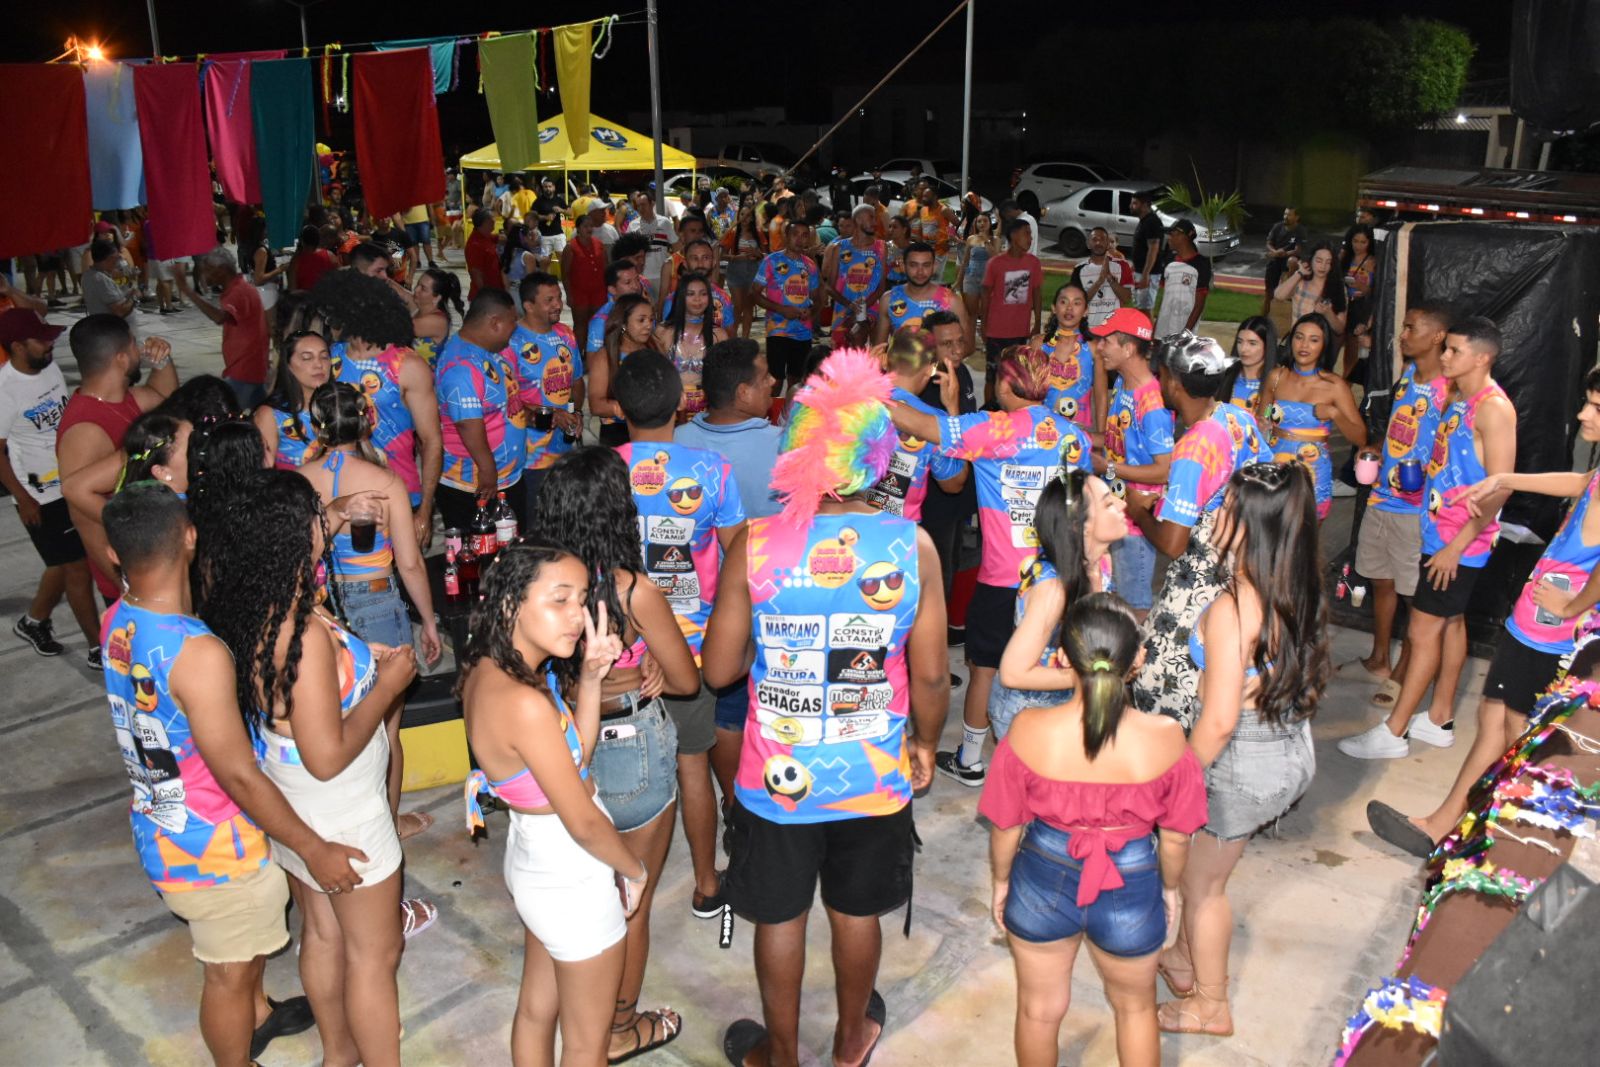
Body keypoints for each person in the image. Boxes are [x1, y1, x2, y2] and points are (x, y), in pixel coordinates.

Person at [703, 348, 949, 1067]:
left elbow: (718, 669)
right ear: (877, 454)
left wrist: (779, 641)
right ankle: (848, 1042)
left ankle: (781, 1056)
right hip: (872, 770)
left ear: (797, 447)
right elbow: (933, 676)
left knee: (780, 917)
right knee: (856, 910)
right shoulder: (913, 546)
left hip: (776, 774)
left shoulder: (756, 544)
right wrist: (925, 743)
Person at [99, 484, 355, 1067]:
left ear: (114, 554)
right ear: (190, 537)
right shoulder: (197, 654)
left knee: (240, 962)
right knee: (227, 976)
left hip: (162, 821)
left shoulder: (118, 620)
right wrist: (313, 848)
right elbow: (239, 775)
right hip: (215, 850)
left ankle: (258, 1014)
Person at [201, 470, 414, 1067]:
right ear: (296, 536)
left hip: (294, 799)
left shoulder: (256, 603)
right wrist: (388, 686)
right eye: (319, 517)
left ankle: (339, 1054)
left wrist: (359, 658)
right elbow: (326, 756)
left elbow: (301, 706)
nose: (328, 521)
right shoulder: (301, 634)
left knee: (322, 932)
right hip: (341, 811)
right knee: (375, 956)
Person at [1367, 366, 1600, 857]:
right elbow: (1580, 481)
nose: (1583, 414)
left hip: (1550, 634)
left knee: (1521, 736)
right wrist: (1504, 477)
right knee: (1493, 720)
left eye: (1596, 407)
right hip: (1530, 624)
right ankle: (1443, 825)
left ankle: (1514, 849)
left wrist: (1574, 605)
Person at [526, 447, 699, 1063]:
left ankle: (565, 1017)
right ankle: (620, 1027)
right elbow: (687, 682)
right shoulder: (631, 591)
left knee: (574, 895)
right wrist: (654, 667)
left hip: (557, 748)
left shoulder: (534, 586)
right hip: (632, 751)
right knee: (632, 901)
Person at [981, 592, 1203, 1066]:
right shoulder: (1167, 738)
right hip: (1133, 881)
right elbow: (1177, 838)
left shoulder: (1026, 729)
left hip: (1041, 877)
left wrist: (1001, 881)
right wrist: (1169, 890)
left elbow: (1006, 826)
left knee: (1039, 1010)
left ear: (1063, 658)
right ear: (1138, 659)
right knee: (1135, 1008)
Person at [1156, 462, 1329, 1038]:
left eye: (1225, 508)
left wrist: (1178, 778)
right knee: (1207, 868)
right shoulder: (1295, 581)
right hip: (1287, 745)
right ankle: (1183, 958)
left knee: (1201, 887)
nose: (1213, 514)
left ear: (1250, 526)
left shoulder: (1233, 607)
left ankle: (1211, 1005)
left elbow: (1219, 720)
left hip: (1244, 760)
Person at [459, 541, 648, 1067]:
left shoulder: (499, 671)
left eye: (582, 600)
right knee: (587, 1045)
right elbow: (584, 821)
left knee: (536, 1012)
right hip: (571, 873)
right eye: (559, 599)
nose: (577, 616)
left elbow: (575, 758)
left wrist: (589, 679)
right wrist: (634, 870)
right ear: (511, 604)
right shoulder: (523, 701)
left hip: (538, 860)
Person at [890, 345, 1094, 785]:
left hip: (1003, 578)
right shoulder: (1074, 437)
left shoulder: (991, 428)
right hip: (1060, 577)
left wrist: (864, 386)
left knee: (984, 667)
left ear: (1003, 384)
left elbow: (916, 424)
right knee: (1051, 665)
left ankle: (970, 759)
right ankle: (1052, 756)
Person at [1339, 317, 1518, 761]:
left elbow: (1502, 487)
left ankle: (1394, 730)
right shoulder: (1458, 396)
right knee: (1450, 623)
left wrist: (1456, 548)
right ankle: (1439, 718)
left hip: (1457, 543)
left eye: (1455, 350)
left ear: (1483, 357)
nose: (1446, 356)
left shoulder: (1494, 409)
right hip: (1437, 532)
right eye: (1446, 348)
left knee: (1422, 631)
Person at [613, 352, 747, 920]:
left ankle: (617, 880)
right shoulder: (713, 470)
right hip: (692, 650)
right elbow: (740, 554)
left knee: (611, 765)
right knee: (694, 765)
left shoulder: (604, 470)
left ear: (618, 410)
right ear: (682, 405)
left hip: (622, 653)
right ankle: (706, 884)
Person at [302, 382, 443, 851]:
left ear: (315, 426)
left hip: (322, 610)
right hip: (379, 604)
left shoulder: (300, 480)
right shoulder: (384, 483)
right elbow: (410, 563)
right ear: (367, 422)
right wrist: (429, 621)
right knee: (385, 730)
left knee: (334, 720)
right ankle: (388, 824)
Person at [1126, 335, 1271, 728]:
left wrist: (1139, 512)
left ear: (1174, 382)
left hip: (1203, 581)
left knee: (1159, 675)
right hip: (1247, 564)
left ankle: (1177, 750)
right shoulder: (1236, 417)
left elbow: (1173, 543)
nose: (1159, 382)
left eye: (1161, 375)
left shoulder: (1193, 449)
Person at [1353, 302, 1453, 710]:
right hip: (1382, 497)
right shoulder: (1408, 375)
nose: (1403, 335)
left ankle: (1402, 673)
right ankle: (1380, 657)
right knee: (1381, 581)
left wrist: (1427, 478)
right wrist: (1375, 450)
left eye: (1412, 328)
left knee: (1415, 597)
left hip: (1416, 511)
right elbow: (1399, 429)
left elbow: (1451, 453)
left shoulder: (1450, 390)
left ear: (1438, 336)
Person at [312, 270, 444, 549]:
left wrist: (425, 508)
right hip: (338, 492)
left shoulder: (407, 366)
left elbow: (431, 439)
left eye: (334, 313)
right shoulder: (328, 358)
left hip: (398, 491)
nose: (330, 320)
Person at [992, 471, 1127, 740]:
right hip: (1030, 708)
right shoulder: (1053, 589)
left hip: (1070, 699)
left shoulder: (1102, 562)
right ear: (1080, 525)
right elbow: (1012, 673)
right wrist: (1087, 676)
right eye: (1108, 503)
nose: (1122, 504)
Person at [57, 314, 178, 607]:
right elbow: (82, 518)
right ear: (122, 359)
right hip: (132, 577)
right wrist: (125, 584)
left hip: (152, 559)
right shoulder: (85, 430)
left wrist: (162, 360)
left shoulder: (126, 399)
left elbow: (166, 399)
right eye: (135, 345)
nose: (140, 350)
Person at [0, 309, 100, 661]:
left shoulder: (49, 367)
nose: (49, 344)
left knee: (62, 562)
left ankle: (34, 621)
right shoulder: (5, 390)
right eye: (40, 339)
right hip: (41, 496)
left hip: (75, 479)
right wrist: (24, 498)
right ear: (17, 346)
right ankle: (97, 647)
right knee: (77, 568)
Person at [1092, 309, 1174, 619]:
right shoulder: (1123, 385)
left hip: (1136, 522)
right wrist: (1078, 436)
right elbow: (1116, 440)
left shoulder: (1151, 403)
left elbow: (1164, 469)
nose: (1100, 347)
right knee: (1115, 597)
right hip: (1117, 510)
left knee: (1133, 608)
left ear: (1128, 349)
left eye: (1107, 341)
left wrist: (1108, 468)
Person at [434, 288, 528, 532]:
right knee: (478, 549)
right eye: (512, 322)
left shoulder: (490, 352)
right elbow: (467, 423)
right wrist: (487, 470)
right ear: (495, 322)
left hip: (506, 478)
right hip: (474, 485)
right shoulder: (461, 367)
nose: (515, 328)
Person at [1257, 312, 1367, 520]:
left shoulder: (1335, 386)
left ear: (1324, 346)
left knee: (1305, 537)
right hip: (1274, 468)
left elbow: (1361, 438)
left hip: (1313, 474)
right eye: (1299, 337)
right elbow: (1263, 420)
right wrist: (1263, 423)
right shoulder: (1276, 377)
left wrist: (1334, 413)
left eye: (1314, 340)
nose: (1304, 345)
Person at [675, 338, 785, 523]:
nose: (773, 381)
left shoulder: (676, 440)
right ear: (744, 393)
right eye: (765, 377)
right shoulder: (783, 446)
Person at [862, 327, 966, 522]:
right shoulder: (933, 421)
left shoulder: (855, 401)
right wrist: (953, 410)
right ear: (930, 369)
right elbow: (953, 484)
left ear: (884, 360)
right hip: (900, 532)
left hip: (849, 525)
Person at [510, 272, 585, 506]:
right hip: (529, 456)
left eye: (559, 297)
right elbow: (505, 401)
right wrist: (550, 415)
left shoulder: (566, 334)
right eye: (549, 300)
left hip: (564, 450)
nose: (558, 305)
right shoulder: (511, 342)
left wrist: (576, 413)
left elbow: (576, 381)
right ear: (528, 306)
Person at [175, 249, 269, 410]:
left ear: (221, 270)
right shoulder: (240, 288)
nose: (205, 276)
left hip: (244, 368)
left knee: (230, 415)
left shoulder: (238, 292)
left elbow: (219, 317)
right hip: (253, 365)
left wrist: (189, 292)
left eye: (207, 270)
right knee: (259, 412)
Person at [979, 220, 1044, 407]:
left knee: (1017, 376)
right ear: (1014, 236)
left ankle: (1013, 410)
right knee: (992, 375)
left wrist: (1037, 323)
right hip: (996, 332)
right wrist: (984, 325)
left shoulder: (1033, 263)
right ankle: (989, 411)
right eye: (1026, 233)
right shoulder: (996, 263)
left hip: (1020, 332)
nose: (1030, 238)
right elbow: (985, 295)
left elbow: (1037, 293)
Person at [752, 218, 820, 393]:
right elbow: (754, 294)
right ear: (786, 236)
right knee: (775, 380)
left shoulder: (810, 266)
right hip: (777, 329)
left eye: (804, 235)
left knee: (796, 381)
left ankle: (788, 410)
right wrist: (781, 309)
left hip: (803, 332)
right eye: (795, 234)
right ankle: (771, 409)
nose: (800, 239)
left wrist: (810, 311)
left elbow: (816, 298)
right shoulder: (771, 261)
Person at [588, 293, 659, 447]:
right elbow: (596, 405)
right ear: (624, 323)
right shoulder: (606, 357)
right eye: (641, 320)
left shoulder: (655, 350)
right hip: (617, 433)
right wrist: (635, 408)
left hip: (651, 431)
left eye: (651, 319)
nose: (649, 325)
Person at [655, 272, 728, 420]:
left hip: (707, 413)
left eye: (703, 294)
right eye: (690, 294)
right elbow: (655, 375)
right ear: (681, 297)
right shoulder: (663, 332)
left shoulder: (719, 335)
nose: (697, 299)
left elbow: (725, 380)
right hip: (670, 410)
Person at [254, 331, 331, 469]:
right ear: (288, 365)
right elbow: (263, 474)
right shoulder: (270, 415)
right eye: (307, 358)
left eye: (324, 357)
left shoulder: (341, 405)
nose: (319, 364)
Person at [872, 240, 970, 347]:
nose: (920, 272)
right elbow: (879, 347)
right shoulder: (888, 300)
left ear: (934, 267)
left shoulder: (952, 302)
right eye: (913, 265)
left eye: (926, 265)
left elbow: (968, 345)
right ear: (903, 266)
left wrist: (941, 356)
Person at [1034, 281, 1100, 432]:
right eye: (1063, 302)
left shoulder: (1094, 348)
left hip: (1078, 430)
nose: (1069, 308)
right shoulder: (1039, 344)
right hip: (1041, 427)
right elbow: (1028, 390)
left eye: (1076, 303)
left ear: (1086, 311)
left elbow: (1101, 395)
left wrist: (1102, 435)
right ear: (1054, 308)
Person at [1271, 240, 1347, 340]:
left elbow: (1340, 329)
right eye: (1319, 261)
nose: (1323, 266)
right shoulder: (1301, 282)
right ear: (1311, 260)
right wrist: (1299, 273)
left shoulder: (1338, 288)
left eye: (1328, 262)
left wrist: (1328, 313)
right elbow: (1278, 295)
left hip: (1320, 345)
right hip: (1297, 340)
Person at [1153, 220, 1213, 338]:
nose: (1169, 238)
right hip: (1161, 332)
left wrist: (1185, 334)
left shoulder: (1201, 264)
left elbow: (1199, 304)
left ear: (1184, 237)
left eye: (1172, 234)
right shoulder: (1169, 260)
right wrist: (1155, 329)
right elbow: (1165, 299)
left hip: (1183, 333)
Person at [1071, 227, 1134, 330]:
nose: (1098, 243)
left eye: (1102, 239)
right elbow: (1078, 302)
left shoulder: (1123, 266)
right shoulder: (1079, 269)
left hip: (1113, 327)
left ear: (1108, 244)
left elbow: (1126, 298)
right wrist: (1099, 281)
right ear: (1088, 244)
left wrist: (1110, 279)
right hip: (1087, 328)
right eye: (1095, 239)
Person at [560, 210, 609, 345]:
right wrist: (569, 294)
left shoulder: (599, 245)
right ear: (578, 228)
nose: (589, 229)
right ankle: (579, 352)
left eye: (591, 226)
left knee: (597, 323)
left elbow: (606, 268)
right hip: (579, 293)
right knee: (580, 325)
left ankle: (595, 350)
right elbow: (565, 274)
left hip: (599, 291)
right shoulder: (570, 247)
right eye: (585, 226)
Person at [584, 257, 645, 361]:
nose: (635, 286)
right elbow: (593, 363)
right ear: (612, 290)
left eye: (637, 280)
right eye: (628, 282)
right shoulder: (601, 321)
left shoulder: (644, 309)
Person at [721, 204, 766, 339]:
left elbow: (766, 255)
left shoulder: (758, 233)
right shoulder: (732, 233)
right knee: (738, 304)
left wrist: (757, 254)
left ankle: (745, 338)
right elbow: (722, 255)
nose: (745, 218)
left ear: (752, 218)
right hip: (735, 271)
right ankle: (732, 336)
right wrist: (735, 257)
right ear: (738, 216)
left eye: (748, 215)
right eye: (742, 215)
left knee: (748, 306)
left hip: (752, 271)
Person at [1340, 224, 1379, 376]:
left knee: (1354, 350)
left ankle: (1347, 380)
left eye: (1363, 242)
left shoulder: (1373, 262)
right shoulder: (1345, 258)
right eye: (1355, 241)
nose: (1358, 245)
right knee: (1341, 346)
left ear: (1369, 243)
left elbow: (1375, 292)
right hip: (1344, 305)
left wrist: (1361, 287)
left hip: (1361, 308)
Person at [411, 267, 464, 367]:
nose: (416, 289)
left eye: (423, 288)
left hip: (427, 375)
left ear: (437, 298)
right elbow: (403, 294)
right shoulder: (421, 307)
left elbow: (399, 327)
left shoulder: (437, 321)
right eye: (418, 284)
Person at [954, 212, 1000, 329]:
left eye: (985, 221)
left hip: (988, 281)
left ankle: (986, 338)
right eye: (979, 221)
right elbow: (965, 262)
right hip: (971, 279)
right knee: (971, 314)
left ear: (990, 223)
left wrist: (986, 241)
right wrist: (959, 281)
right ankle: (971, 339)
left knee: (986, 315)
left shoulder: (995, 240)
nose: (982, 223)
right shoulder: (971, 239)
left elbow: (995, 258)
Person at [1260, 207, 1308, 316]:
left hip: (1288, 261)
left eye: (1289, 215)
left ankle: (1289, 288)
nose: (1286, 217)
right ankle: (1263, 318)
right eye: (1285, 214)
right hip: (1275, 259)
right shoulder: (1277, 226)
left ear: (1297, 217)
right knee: (1268, 293)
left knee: (1292, 261)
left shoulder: (1301, 230)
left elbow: (1298, 250)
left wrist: (1284, 253)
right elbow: (1269, 243)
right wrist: (1276, 252)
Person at [1227, 316, 1276, 414]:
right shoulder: (1224, 377)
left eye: (1252, 343)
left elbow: (1269, 415)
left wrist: (1265, 418)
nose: (1243, 349)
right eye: (1240, 342)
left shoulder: (1276, 383)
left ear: (1267, 346)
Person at [1128, 190, 1165, 314]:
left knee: (1145, 310)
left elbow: (1153, 249)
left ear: (1144, 205)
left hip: (1149, 274)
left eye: (1135, 203)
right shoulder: (1144, 221)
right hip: (1142, 272)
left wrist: (1145, 275)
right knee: (1141, 307)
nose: (1131, 206)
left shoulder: (1152, 222)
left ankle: (1149, 328)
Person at [82, 236, 137, 319]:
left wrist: (128, 294)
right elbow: (120, 311)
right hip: (112, 325)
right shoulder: (101, 280)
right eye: (117, 257)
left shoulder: (88, 275)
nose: (118, 260)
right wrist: (134, 297)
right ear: (109, 258)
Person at [631, 191, 677, 284]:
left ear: (652, 204)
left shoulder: (665, 223)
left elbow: (676, 247)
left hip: (663, 276)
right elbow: (627, 253)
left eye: (643, 205)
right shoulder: (632, 225)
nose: (640, 209)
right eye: (638, 206)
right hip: (641, 277)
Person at [465, 208, 506, 299]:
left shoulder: (486, 237)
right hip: (486, 296)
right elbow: (476, 273)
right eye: (492, 219)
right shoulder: (475, 245)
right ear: (485, 222)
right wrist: (486, 296)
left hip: (495, 292)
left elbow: (501, 238)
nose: (494, 221)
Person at [289, 224, 340, 293]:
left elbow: (292, 290)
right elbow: (340, 280)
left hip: (304, 298)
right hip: (326, 297)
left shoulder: (296, 260)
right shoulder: (330, 256)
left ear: (302, 241)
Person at [532, 178, 568, 261]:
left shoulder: (559, 200)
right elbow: (533, 215)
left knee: (563, 260)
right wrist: (545, 217)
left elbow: (570, 212)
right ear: (543, 188)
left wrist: (561, 210)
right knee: (545, 261)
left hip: (558, 234)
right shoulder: (538, 201)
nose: (548, 188)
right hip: (544, 236)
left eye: (549, 186)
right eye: (545, 187)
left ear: (554, 187)